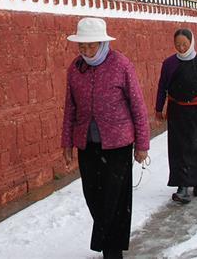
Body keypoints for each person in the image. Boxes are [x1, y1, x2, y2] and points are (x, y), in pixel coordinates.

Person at [61, 17, 150, 259]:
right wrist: (67, 142)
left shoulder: (121, 65)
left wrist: (142, 144)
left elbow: (138, 106)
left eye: (91, 46)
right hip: (87, 144)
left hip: (118, 143)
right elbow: (70, 108)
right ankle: (108, 239)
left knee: (116, 199)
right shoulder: (75, 68)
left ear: (102, 43)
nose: (86, 51)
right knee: (93, 196)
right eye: (82, 46)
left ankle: (112, 250)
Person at [154, 28, 197, 204]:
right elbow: (162, 86)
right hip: (177, 112)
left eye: (184, 44)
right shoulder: (169, 64)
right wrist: (158, 107)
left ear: (191, 43)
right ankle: (182, 186)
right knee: (180, 149)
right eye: (178, 45)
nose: (182, 48)